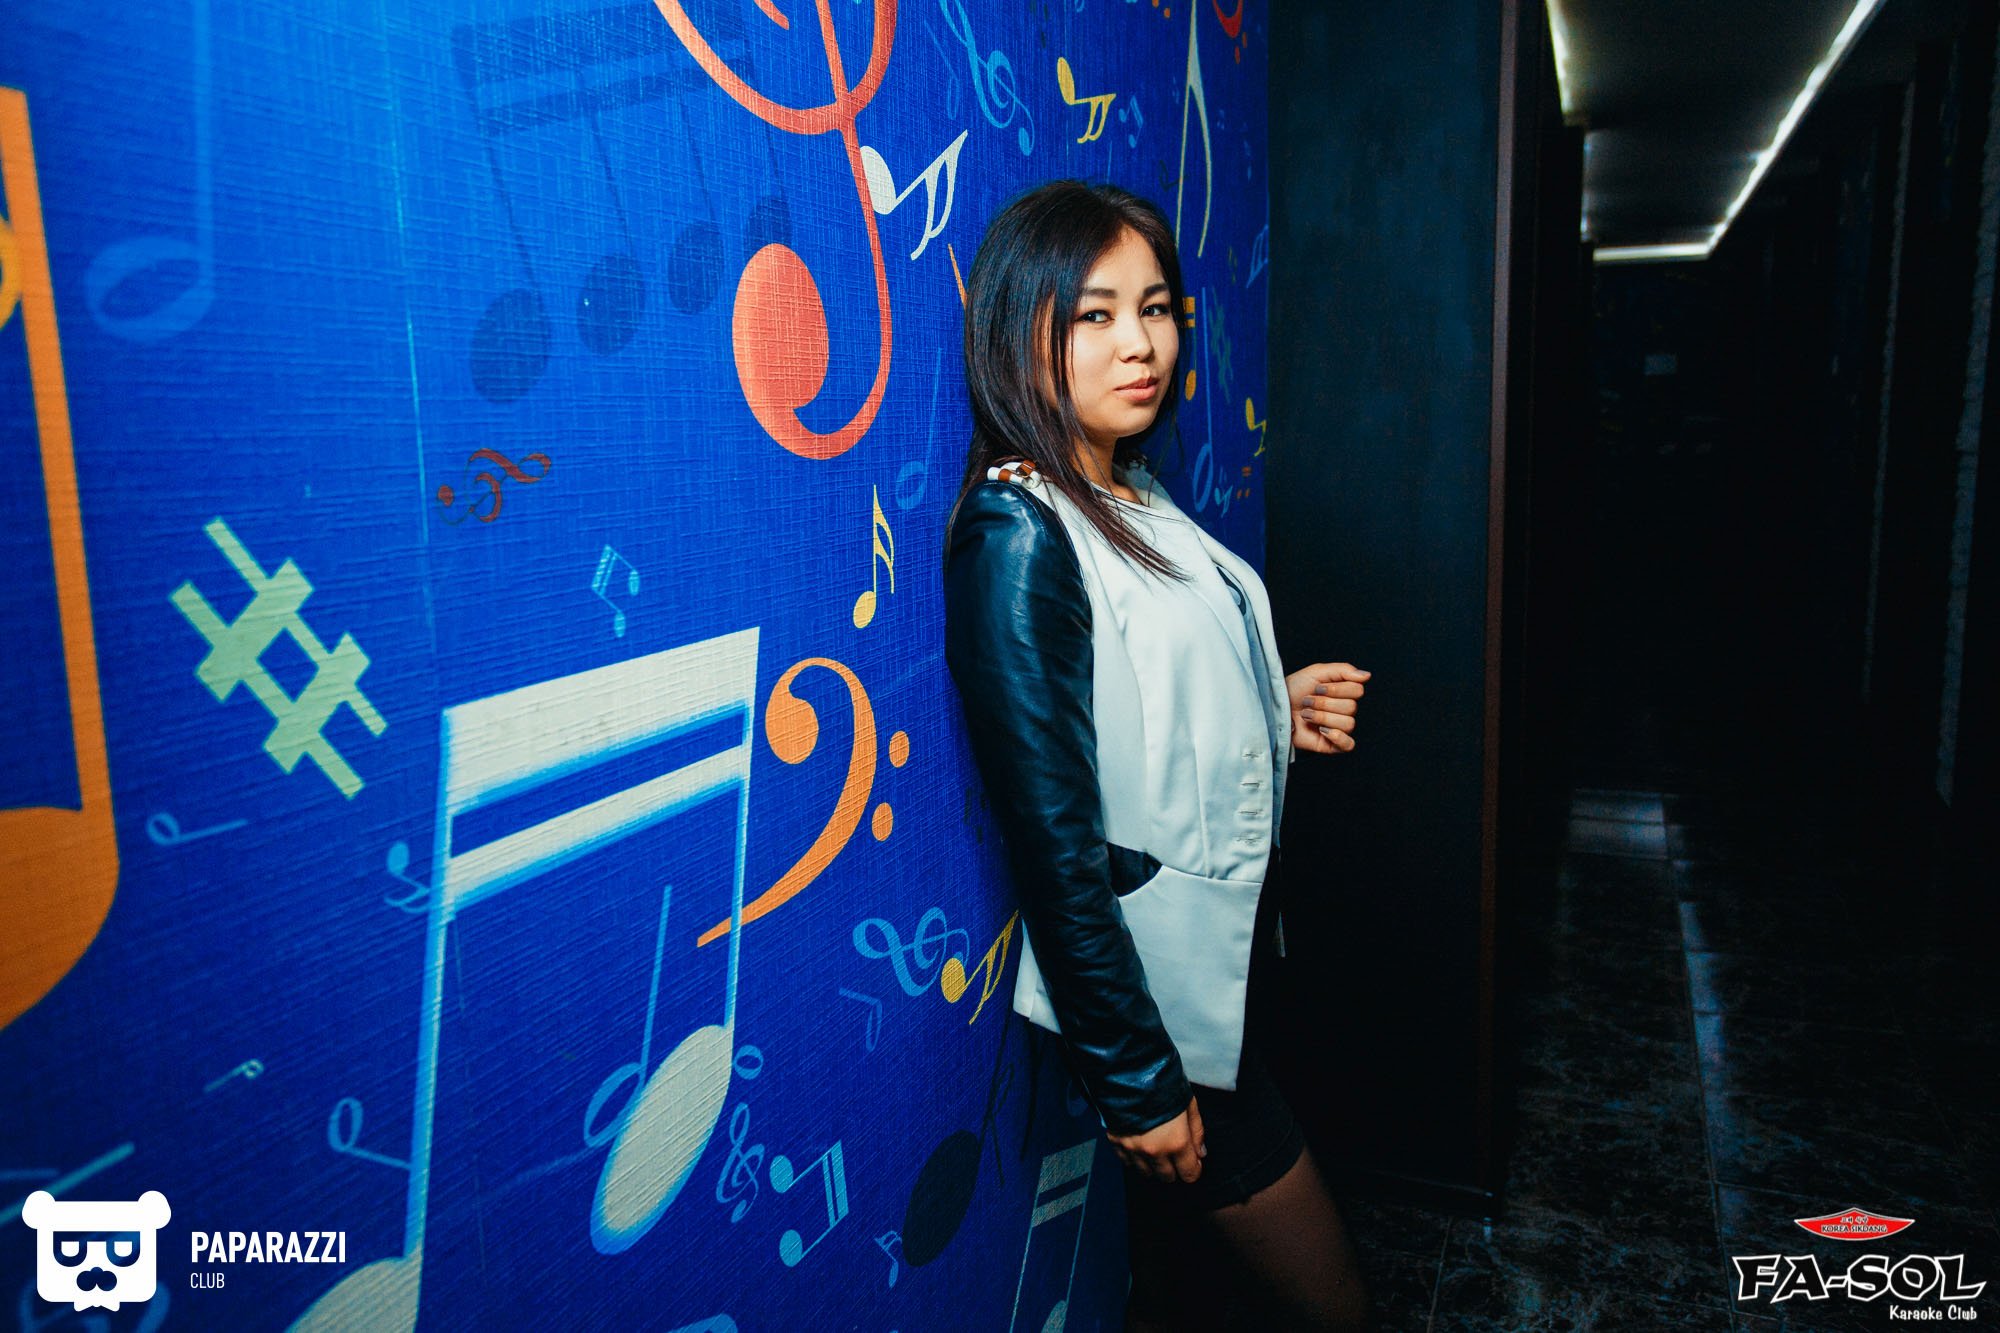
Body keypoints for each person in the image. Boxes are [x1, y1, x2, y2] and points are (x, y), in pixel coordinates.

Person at [942, 179, 1376, 1332]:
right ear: (1020, 327)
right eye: (1093, 313)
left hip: (1223, 970)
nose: (1139, 342)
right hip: (1158, 1009)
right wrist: (1139, 1079)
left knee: (1204, 1295)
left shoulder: (1123, 486)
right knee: (1330, 1301)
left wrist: (1272, 706)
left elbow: (1141, 698)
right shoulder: (1016, 527)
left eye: (1155, 307)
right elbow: (1054, 840)